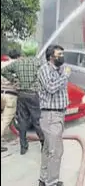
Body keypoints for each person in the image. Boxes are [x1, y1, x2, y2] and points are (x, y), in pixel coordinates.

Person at [1, 40, 44, 155]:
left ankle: (23, 147)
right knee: (37, 121)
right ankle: (44, 144)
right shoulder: (38, 62)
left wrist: (14, 80)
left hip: (21, 94)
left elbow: (3, 71)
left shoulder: (18, 63)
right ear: (34, 50)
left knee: (22, 121)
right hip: (33, 94)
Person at [38, 44, 71, 186]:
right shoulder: (44, 69)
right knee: (56, 151)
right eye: (59, 54)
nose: (62, 57)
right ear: (51, 56)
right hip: (50, 115)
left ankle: (43, 179)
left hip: (58, 115)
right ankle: (52, 182)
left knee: (47, 149)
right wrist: (64, 76)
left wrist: (63, 73)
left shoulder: (59, 70)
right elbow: (51, 88)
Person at [1, 50, 21, 153]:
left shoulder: (2, 64)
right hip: (10, 96)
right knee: (4, 121)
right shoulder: (17, 66)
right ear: (18, 57)